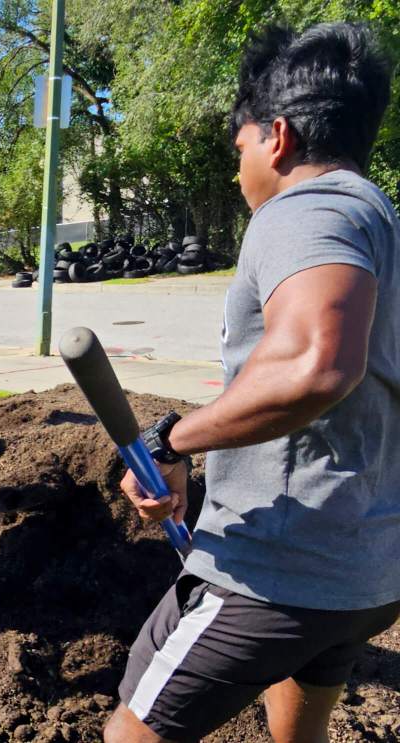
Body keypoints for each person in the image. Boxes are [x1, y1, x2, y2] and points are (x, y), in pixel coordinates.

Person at [104, 23, 400, 743]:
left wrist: (170, 439)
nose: (239, 174)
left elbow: (314, 364)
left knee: (129, 734)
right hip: (367, 569)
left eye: (240, 149)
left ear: (279, 138)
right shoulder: (378, 216)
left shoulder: (304, 208)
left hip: (275, 571)